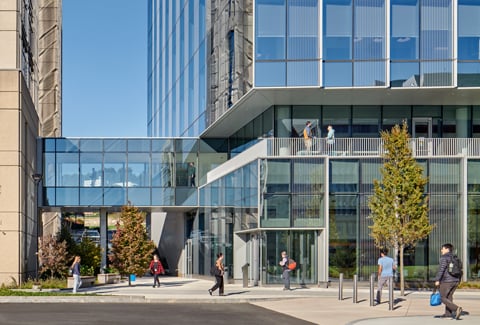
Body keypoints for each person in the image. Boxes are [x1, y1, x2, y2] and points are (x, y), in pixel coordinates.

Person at [434, 243, 463, 320]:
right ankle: (448, 314)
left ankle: (456, 309)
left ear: (447, 249)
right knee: (449, 297)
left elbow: (441, 269)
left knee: (442, 297)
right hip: (456, 280)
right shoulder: (455, 257)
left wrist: (437, 279)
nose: (441, 250)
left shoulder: (444, 258)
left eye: (442, 248)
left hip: (447, 281)